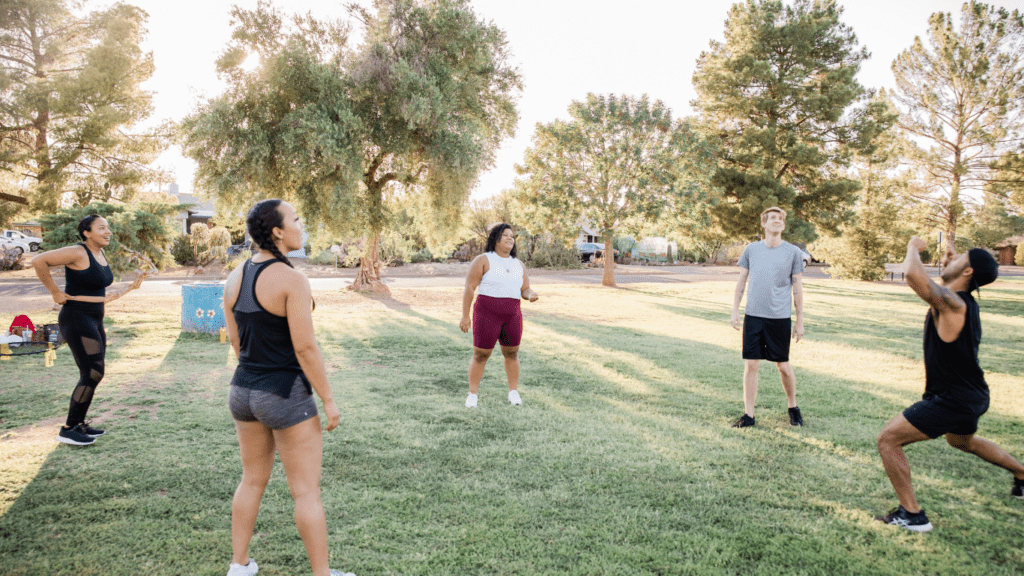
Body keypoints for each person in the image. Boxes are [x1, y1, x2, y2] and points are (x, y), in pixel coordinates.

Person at [222, 199, 353, 576]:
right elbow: (305, 347)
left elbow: (237, 344)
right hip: (284, 395)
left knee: (251, 480)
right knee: (306, 492)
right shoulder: (293, 279)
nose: (301, 224)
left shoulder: (235, 277)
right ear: (278, 230)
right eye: (296, 218)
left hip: (243, 391)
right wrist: (328, 400)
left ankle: (240, 565)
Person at [874, 238, 1024, 532]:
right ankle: (1022, 474)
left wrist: (912, 248)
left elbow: (914, 276)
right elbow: (942, 282)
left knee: (888, 440)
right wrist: (950, 267)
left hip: (953, 399)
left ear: (967, 272)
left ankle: (913, 516)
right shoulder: (963, 303)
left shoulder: (954, 304)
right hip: (973, 395)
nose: (950, 259)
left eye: (959, 258)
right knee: (960, 441)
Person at [33, 215, 115, 446]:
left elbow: (92, 285)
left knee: (94, 373)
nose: (108, 232)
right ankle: (69, 428)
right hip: (77, 318)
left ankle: (78, 424)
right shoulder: (78, 252)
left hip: (94, 319)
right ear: (87, 233)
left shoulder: (100, 253)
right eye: (101, 228)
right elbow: (39, 261)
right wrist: (54, 292)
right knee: (92, 372)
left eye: (108, 227)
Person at [730, 207, 805, 428]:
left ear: (783, 225)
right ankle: (749, 415)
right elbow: (741, 281)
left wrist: (799, 320)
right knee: (751, 364)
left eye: (780, 219)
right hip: (753, 315)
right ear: (763, 224)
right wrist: (735, 310)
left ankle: (793, 407)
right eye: (772, 218)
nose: (777, 221)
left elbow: (798, 287)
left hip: (779, 317)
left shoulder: (793, 252)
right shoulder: (751, 249)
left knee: (783, 366)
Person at [459, 223, 539, 408]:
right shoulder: (483, 260)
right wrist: (465, 316)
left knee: (512, 353)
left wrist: (530, 295)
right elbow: (469, 288)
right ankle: (472, 395)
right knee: (481, 355)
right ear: (496, 238)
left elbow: (524, 289)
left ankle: (513, 392)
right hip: (486, 313)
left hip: (512, 315)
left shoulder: (519, 264)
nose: (510, 238)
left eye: (512, 236)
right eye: (506, 235)